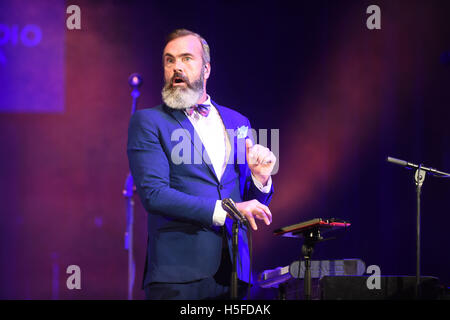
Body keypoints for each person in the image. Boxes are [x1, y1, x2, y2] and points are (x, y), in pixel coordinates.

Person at [127, 28, 277, 300]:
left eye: (186, 58)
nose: (177, 67)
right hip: (178, 275)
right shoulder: (148, 122)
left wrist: (260, 179)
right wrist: (224, 211)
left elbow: (250, 206)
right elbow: (154, 195)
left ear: (206, 70)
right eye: (169, 60)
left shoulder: (238, 122)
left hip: (234, 273)